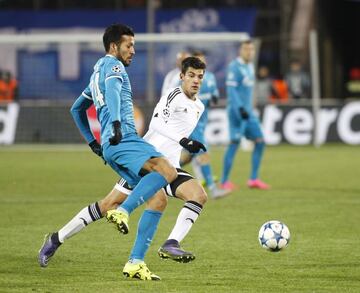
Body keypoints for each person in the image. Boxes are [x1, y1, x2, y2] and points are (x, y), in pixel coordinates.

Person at [38, 56, 208, 280]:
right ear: (182, 76)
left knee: (198, 195)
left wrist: (186, 149)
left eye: (200, 77)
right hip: (146, 162)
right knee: (108, 205)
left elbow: (176, 138)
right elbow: (156, 124)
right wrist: (184, 140)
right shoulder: (173, 95)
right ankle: (56, 239)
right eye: (191, 75)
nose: (195, 81)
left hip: (170, 167)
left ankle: (171, 243)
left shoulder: (199, 106)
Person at [220, 40, 270, 191]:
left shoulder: (250, 66)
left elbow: (248, 91)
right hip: (237, 113)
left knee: (260, 141)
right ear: (240, 51)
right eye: (246, 49)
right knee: (234, 143)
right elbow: (232, 91)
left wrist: (250, 107)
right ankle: (224, 181)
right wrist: (240, 109)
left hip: (249, 113)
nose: (249, 52)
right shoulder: (234, 67)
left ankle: (254, 179)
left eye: (251, 49)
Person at [180, 50, 230, 199]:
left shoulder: (211, 78)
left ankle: (158, 175)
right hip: (191, 125)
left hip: (202, 123)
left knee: (186, 158)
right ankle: (214, 189)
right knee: (203, 152)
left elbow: (214, 94)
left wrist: (214, 97)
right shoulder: (188, 81)